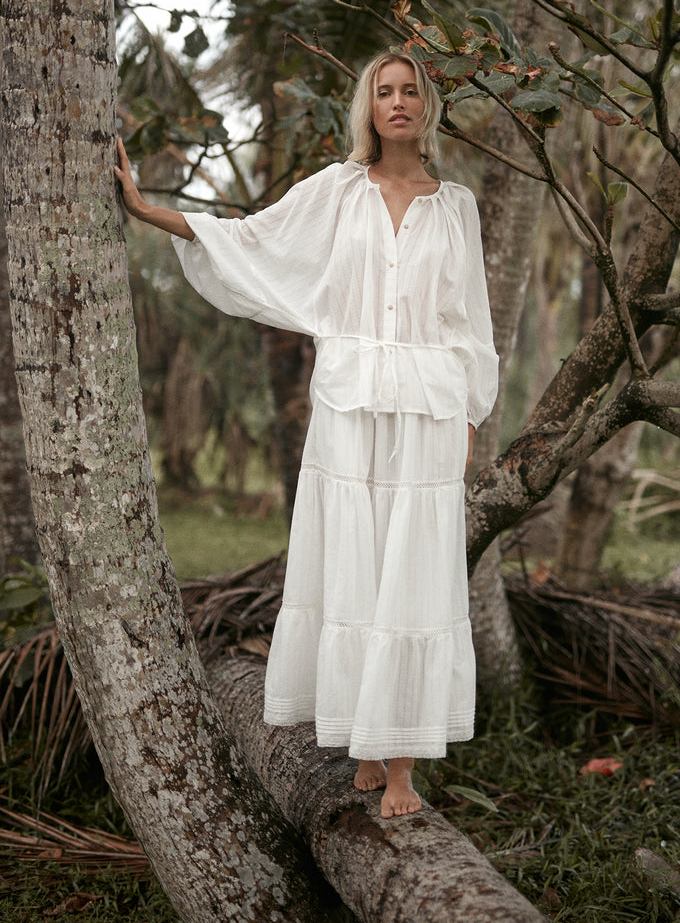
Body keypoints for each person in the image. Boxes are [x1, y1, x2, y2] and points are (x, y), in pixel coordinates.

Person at [114, 50, 498, 818]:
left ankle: (401, 773)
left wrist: (469, 415)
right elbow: (257, 241)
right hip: (350, 405)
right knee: (355, 564)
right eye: (383, 91)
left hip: (427, 409)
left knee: (412, 573)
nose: (397, 103)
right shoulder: (338, 191)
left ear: (428, 107)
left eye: (409, 91)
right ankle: (361, 739)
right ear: (368, 107)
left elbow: (469, 321)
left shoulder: (456, 205)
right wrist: (150, 210)